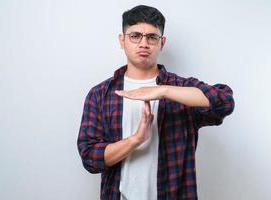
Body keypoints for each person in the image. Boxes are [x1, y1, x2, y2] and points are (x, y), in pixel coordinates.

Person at [77, 5, 234, 200]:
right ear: (122, 40)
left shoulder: (180, 88)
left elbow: (224, 102)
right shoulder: (100, 94)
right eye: (135, 36)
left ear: (162, 43)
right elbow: (91, 158)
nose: (144, 43)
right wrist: (135, 140)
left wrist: (163, 90)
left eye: (152, 37)